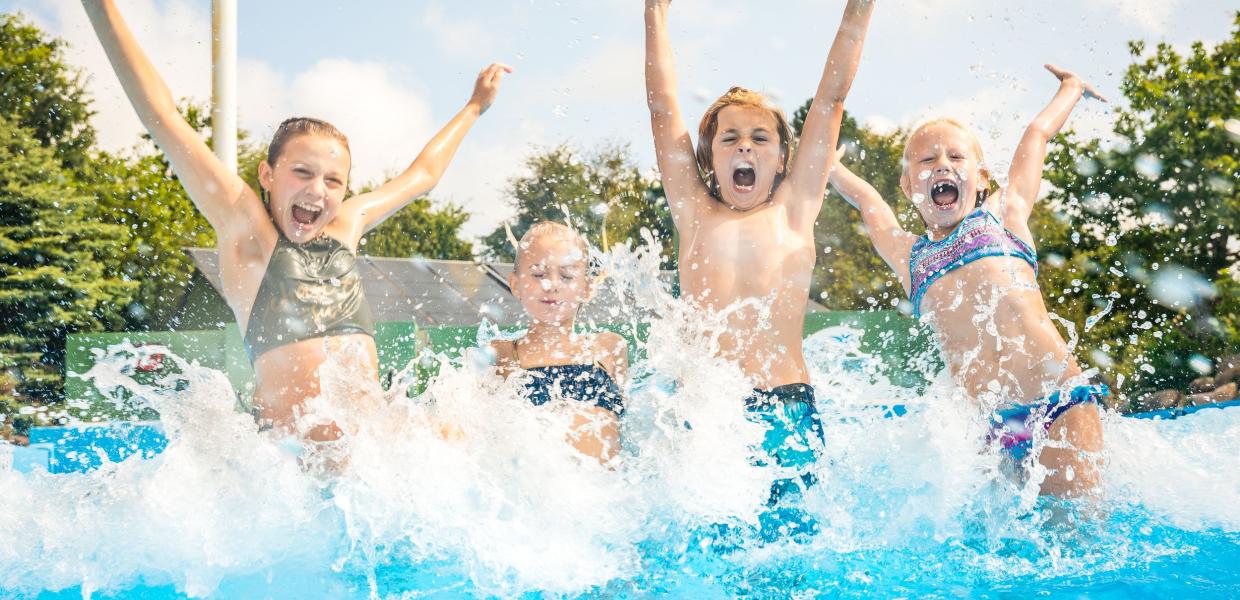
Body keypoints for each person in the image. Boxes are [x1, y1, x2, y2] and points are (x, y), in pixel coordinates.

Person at [82, 0, 509, 440]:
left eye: (333, 181)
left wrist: (474, 107)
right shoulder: (247, 230)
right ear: (267, 175)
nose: (317, 191)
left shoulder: (346, 225)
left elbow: (422, 176)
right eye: (301, 173)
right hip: (291, 460)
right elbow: (164, 118)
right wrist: (101, 9)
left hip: (375, 454)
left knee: (460, 432)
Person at [827, 64, 1108, 497]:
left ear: (979, 179)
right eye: (927, 160)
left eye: (956, 158)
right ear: (907, 186)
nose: (942, 165)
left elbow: (1036, 136)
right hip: (991, 427)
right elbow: (867, 201)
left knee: (1075, 533)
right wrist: (826, 166)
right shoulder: (911, 258)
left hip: (1058, 402)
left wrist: (1071, 89)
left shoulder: (1003, 216)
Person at [643, 0, 875, 508]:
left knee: (791, 552)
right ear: (707, 157)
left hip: (786, 408)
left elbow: (832, 98)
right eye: (729, 139)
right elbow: (662, 108)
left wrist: (861, 9)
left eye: (759, 138)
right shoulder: (695, 215)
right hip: (709, 412)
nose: (744, 147)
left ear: (783, 157)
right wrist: (655, 14)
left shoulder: (795, 209)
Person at [490, 223, 628, 463]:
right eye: (538, 274)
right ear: (515, 285)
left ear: (587, 287)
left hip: (605, 490)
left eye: (566, 276)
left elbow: (629, 426)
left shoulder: (608, 347)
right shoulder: (502, 353)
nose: (552, 284)